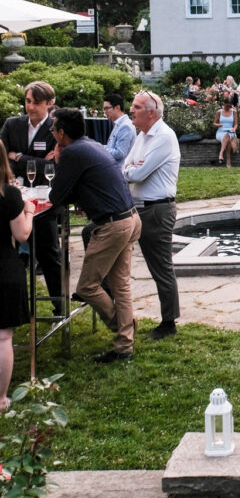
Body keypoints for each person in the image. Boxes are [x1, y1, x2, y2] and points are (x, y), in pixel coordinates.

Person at [49, 109, 141, 363]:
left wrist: (58, 161)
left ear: (61, 134)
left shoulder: (71, 153)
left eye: (53, 130)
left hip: (113, 226)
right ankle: (124, 346)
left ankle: (125, 327)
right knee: (120, 285)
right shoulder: (90, 145)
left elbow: (56, 197)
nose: (53, 134)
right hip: (130, 218)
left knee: (87, 287)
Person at [0, 80, 62, 315]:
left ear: (49, 103)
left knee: (48, 254)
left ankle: (58, 306)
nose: (31, 107)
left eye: (36, 102)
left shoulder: (56, 128)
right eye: (28, 101)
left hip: (44, 200)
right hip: (13, 199)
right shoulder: (12, 124)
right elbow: (2, 158)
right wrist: (27, 160)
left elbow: (53, 165)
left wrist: (20, 158)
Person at [123, 90, 181, 341]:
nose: (131, 110)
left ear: (151, 112)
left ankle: (169, 322)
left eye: (136, 107)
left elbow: (136, 174)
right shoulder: (142, 135)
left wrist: (132, 168)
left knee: (161, 268)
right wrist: (132, 168)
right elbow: (126, 166)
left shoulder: (164, 136)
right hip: (138, 208)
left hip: (157, 210)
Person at [0, 141, 34, 407]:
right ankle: (0, 399)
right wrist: (30, 212)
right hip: (4, 268)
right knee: (3, 337)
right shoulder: (9, 195)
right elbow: (21, 234)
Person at [103, 93, 136, 167]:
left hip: (120, 172)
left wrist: (101, 148)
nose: (105, 112)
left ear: (117, 108)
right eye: (104, 109)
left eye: (107, 108)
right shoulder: (119, 123)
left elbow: (120, 153)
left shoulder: (125, 126)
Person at [212, 100, 238, 167]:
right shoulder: (219, 112)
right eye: (227, 106)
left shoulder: (234, 112)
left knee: (227, 135)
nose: (228, 107)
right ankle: (228, 160)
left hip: (231, 131)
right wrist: (218, 125)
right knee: (227, 138)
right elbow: (214, 123)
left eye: (230, 106)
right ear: (224, 104)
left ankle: (221, 154)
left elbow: (236, 124)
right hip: (221, 132)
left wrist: (234, 129)